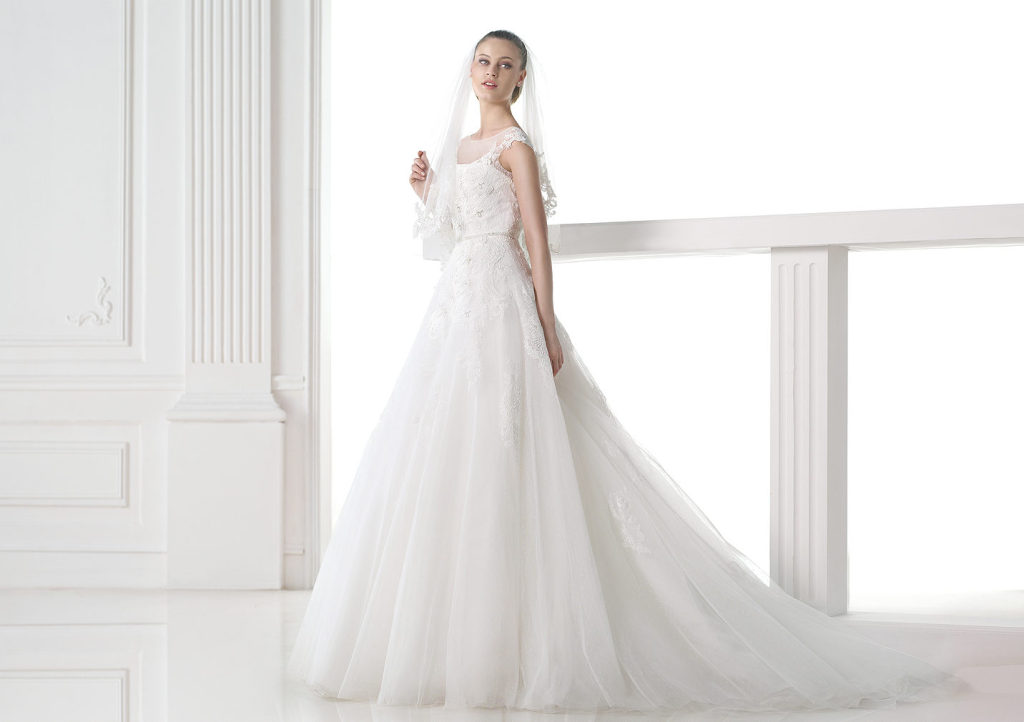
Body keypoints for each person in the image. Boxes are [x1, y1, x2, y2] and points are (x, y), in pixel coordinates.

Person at [285, 29, 973, 714]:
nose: (491, 72)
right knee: (448, 441)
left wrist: (545, 322)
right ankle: (449, 638)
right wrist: (427, 191)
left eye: (506, 65)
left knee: (510, 440)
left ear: (521, 79)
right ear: (471, 70)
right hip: (456, 307)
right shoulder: (461, 148)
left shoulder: (516, 148)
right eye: (484, 61)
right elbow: (458, 230)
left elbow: (536, 241)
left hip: (503, 301)